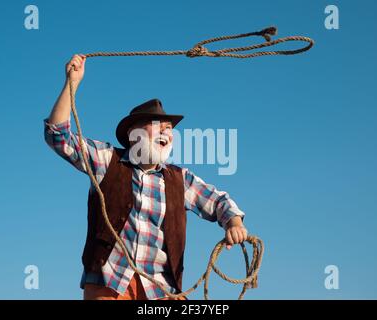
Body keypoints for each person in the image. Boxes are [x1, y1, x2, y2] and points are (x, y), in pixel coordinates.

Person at [44, 54, 248, 300]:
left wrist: (234, 223)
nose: (166, 130)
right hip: (111, 281)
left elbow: (218, 201)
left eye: (169, 128)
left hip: (162, 288)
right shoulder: (107, 160)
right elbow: (58, 136)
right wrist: (72, 83)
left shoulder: (179, 179)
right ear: (134, 134)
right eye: (157, 123)